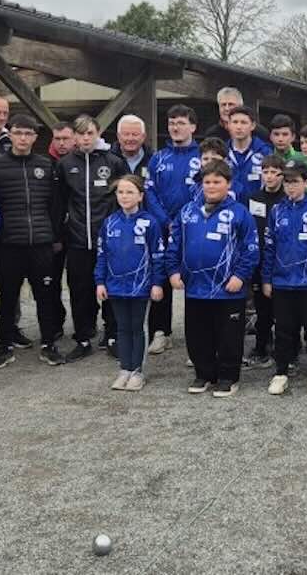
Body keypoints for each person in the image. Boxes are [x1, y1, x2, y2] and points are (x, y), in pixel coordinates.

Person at [165, 159, 259, 397]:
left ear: (228, 184)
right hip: (195, 288)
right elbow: (174, 244)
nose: (211, 186)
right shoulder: (187, 211)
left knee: (228, 336)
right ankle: (204, 374)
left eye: (217, 181)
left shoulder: (240, 213)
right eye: (207, 182)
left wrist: (240, 276)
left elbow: (251, 249)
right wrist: (173, 271)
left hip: (228, 289)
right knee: (198, 334)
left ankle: (228, 377)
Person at [0, 114, 66, 368]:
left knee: (45, 295)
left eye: (28, 134)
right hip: (9, 243)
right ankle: (5, 344)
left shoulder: (46, 165)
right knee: (8, 296)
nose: (23, 138)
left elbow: (56, 204)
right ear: (10, 135)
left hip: (41, 242)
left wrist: (55, 236)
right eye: (18, 133)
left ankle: (48, 343)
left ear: (35, 137)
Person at [58, 114, 130, 361]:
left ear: (98, 134)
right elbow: (59, 201)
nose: (86, 138)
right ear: (74, 137)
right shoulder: (65, 164)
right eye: (81, 133)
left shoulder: (114, 161)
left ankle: (112, 336)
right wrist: (61, 232)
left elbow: (126, 196)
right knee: (80, 290)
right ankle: (83, 337)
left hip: (108, 240)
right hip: (78, 239)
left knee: (111, 289)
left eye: (90, 133)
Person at [261, 160, 307, 395]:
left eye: (295, 182)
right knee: (283, 329)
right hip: (282, 282)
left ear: (306, 183)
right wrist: (267, 278)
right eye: (287, 182)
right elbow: (269, 247)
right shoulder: (277, 211)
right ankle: (281, 372)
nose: (290, 187)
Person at [95, 175, 166, 392]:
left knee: (137, 328)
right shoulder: (109, 222)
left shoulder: (150, 223)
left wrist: (157, 283)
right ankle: (124, 369)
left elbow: (158, 256)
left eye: (130, 192)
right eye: (120, 192)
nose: (124, 196)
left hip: (141, 287)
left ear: (140, 196)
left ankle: (137, 371)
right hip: (116, 286)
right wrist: (100, 282)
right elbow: (102, 254)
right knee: (122, 328)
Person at [143, 104, 201, 354]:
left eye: (181, 123)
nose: (176, 128)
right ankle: (160, 332)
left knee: (194, 278)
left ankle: (196, 337)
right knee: (161, 276)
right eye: (172, 123)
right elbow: (149, 192)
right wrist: (165, 220)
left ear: (193, 127)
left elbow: (205, 190)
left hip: (193, 227)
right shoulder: (158, 158)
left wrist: (185, 219)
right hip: (163, 226)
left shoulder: (203, 156)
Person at [242, 154, 286, 370]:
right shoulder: (253, 199)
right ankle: (261, 347)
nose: (269, 176)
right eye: (265, 172)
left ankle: (287, 349)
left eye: (274, 172)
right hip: (259, 261)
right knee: (262, 308)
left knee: (284, 310)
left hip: (281, 261)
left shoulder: (286, 199)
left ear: (282, 175)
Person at [46, 120, 75, 341]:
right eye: (57, 139)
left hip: (76, 231)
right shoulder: (45, 164)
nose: (62, 143)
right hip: (51, 231)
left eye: (66, 138)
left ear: (74, 139)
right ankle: (54, 323)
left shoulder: (82, 162)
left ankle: (86, 323)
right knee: (51, 281)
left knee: (79, 281)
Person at [225, 106, 273, 201]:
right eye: (235, 122)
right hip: (228, 208)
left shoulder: (265, 152)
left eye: (244, 122)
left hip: (257, 206)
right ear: (229, 125)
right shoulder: (222, 153)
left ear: (253, 125)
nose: (239, 127)